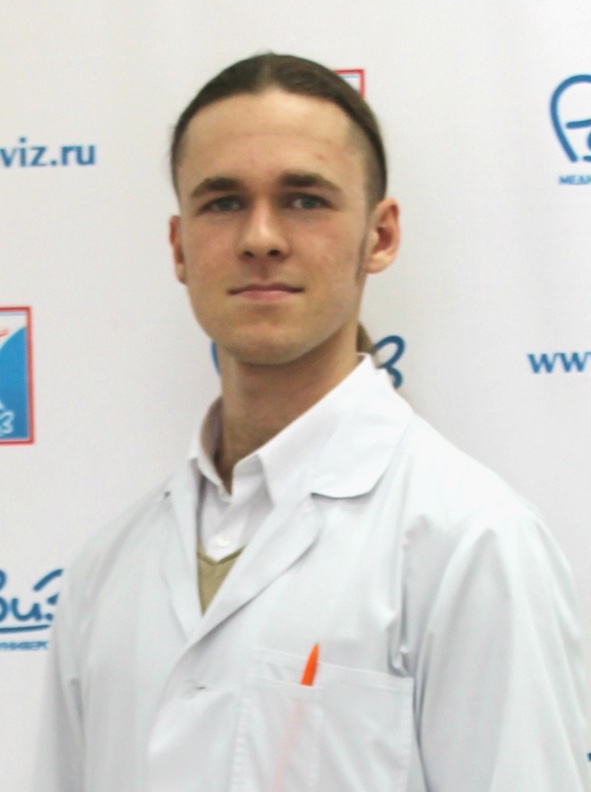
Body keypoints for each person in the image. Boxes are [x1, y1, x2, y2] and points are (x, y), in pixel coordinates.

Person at [32, 54, 589, 792]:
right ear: (179, 247)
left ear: (379, 237)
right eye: (223, 202)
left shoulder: (471, 543)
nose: (261, 237)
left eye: (304, 199)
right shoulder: (107, 571)